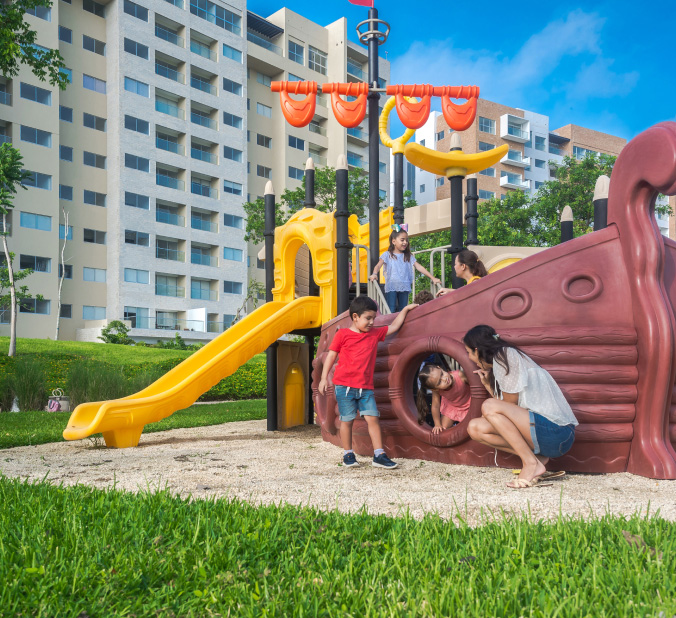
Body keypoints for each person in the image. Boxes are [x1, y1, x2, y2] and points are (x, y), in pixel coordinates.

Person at [462, 325, 578, 489]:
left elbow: (506, 406)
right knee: (475, 428)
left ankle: (530, 463)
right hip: (543, 434)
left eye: (468, 352)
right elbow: (505, 412)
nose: (469, 357)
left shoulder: (505, 355)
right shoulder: (504, 358)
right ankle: (538, 461)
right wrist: (489, 386)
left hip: (557, 432)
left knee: (488, 406)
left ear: (476, 350)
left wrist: (489, 402)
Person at [318, 295, 418, 469]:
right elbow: (332, 356)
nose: (372, 322)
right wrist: (322, 378)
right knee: (347, 420)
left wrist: (405, 310)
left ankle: (379, 454)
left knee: (372, 419)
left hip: (365, 387)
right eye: (368, 318)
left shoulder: (374, 333)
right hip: (345, 386)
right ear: (355, 317)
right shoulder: (343, 334)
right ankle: (348, 453)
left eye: (374, 318)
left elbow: (393, 327)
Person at [370, 224, 441, 312]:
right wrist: (374, 274)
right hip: (392, 285)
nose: (405, 242)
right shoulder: (387, 255)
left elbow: (419, 267)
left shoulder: (408, 256)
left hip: (404, 285)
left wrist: (433, 278)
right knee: (390, 309)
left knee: (403, 309)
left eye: (406, 240)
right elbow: (378, 265)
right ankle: (390, 325)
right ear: (394, 241)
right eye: (402, 240)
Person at [416, 365, 471, 433]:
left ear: (440, 368)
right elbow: (435, 406)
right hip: (453, 406)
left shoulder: (460, 375)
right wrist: (437, 424)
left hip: (470, 401)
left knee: (471, 423)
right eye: (439, 382)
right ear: (435, 388)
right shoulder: (436, 390)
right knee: (443, 428)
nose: (444, 379)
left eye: (442, 374)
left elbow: (475, 385)